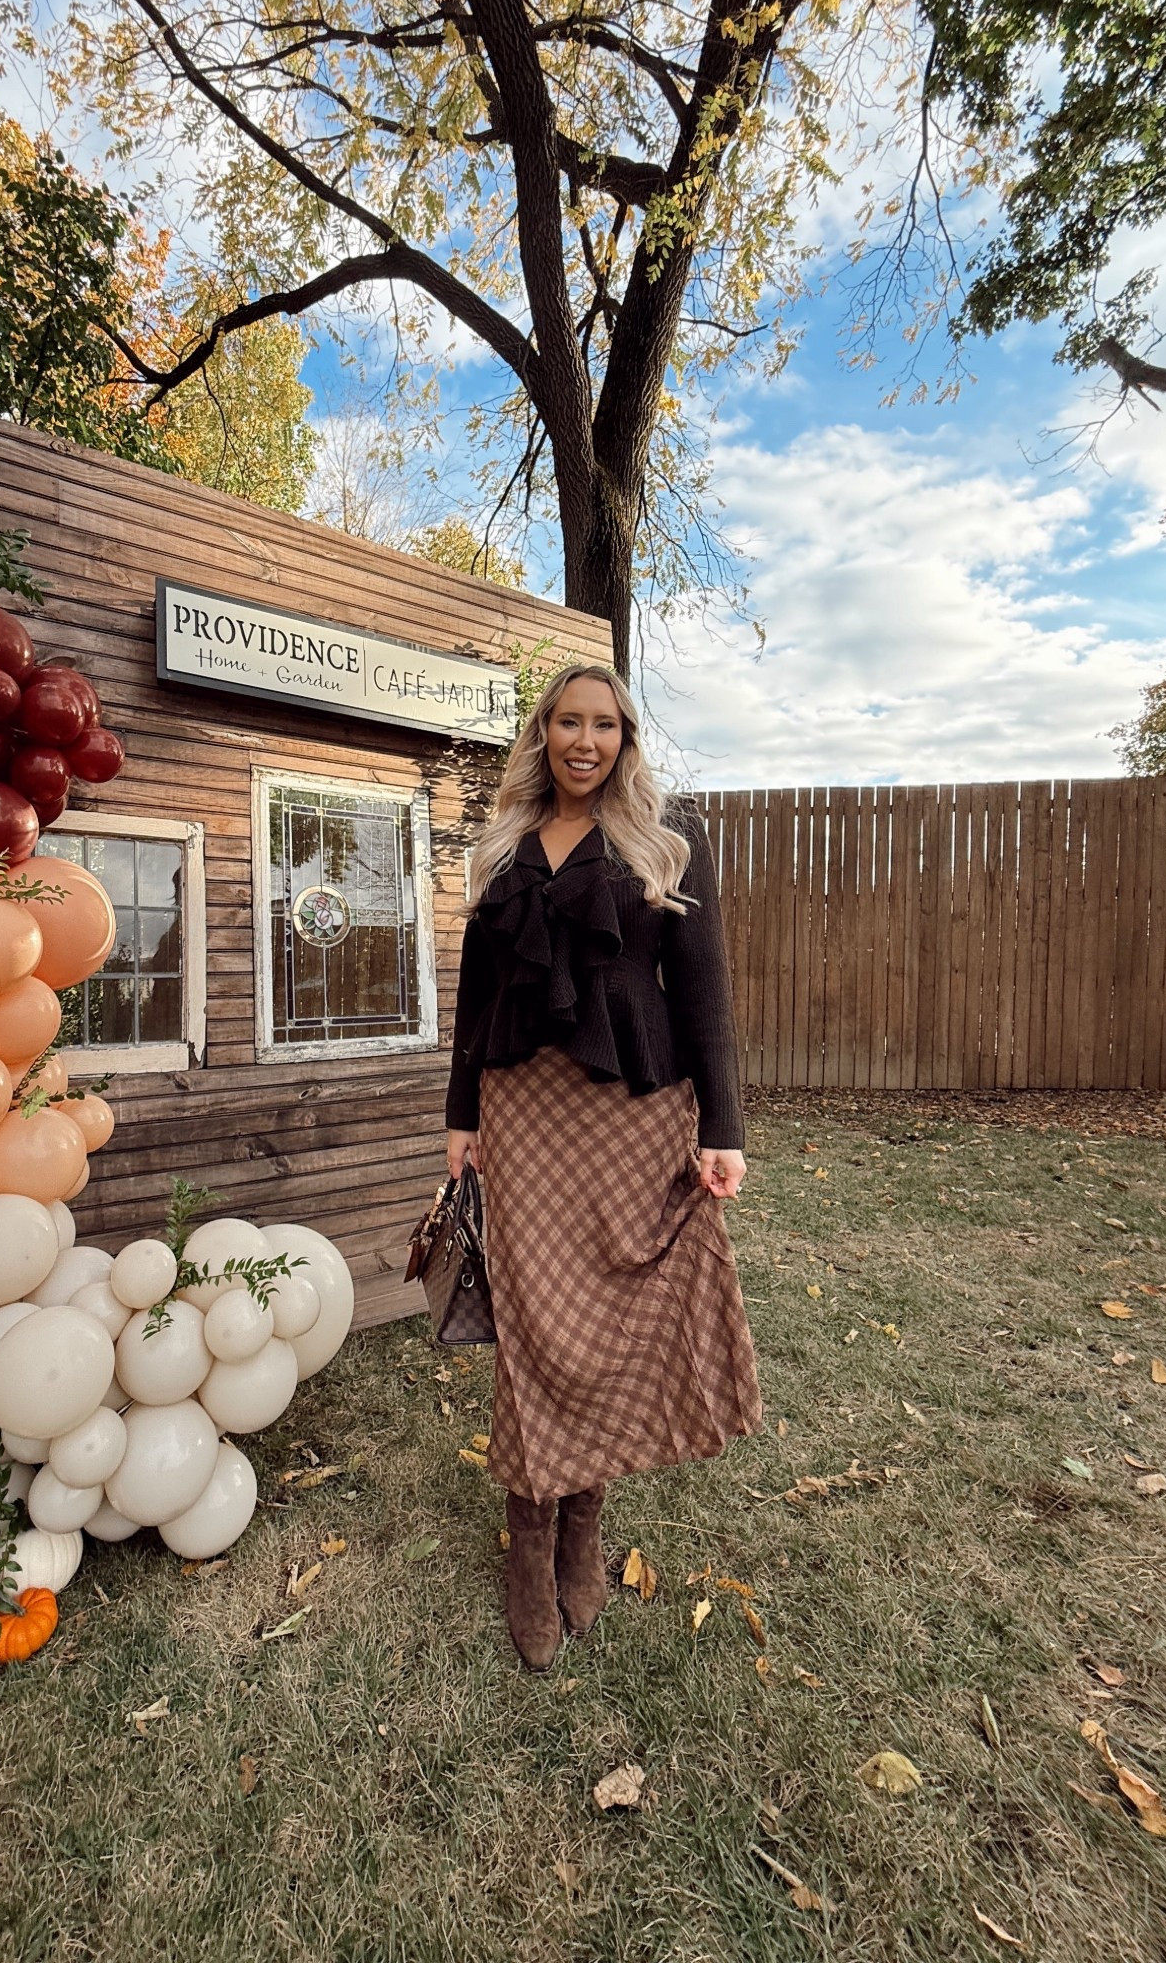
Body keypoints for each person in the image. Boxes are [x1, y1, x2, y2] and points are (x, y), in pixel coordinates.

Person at [444, 663, 761, 1670]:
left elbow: (704, 988)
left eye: (605, 724)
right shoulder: (500, 847)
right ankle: (530, 1541)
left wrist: (725, 1124)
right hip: (524, 1110)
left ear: (626, 736)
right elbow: (474, 994)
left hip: (635, 1109)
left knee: (613, 1320)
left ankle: (584, 1523)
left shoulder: (668, 835)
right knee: (538, 1324)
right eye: (568, 721)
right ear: (542, 733)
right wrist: (459, 1118)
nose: (585, 739)